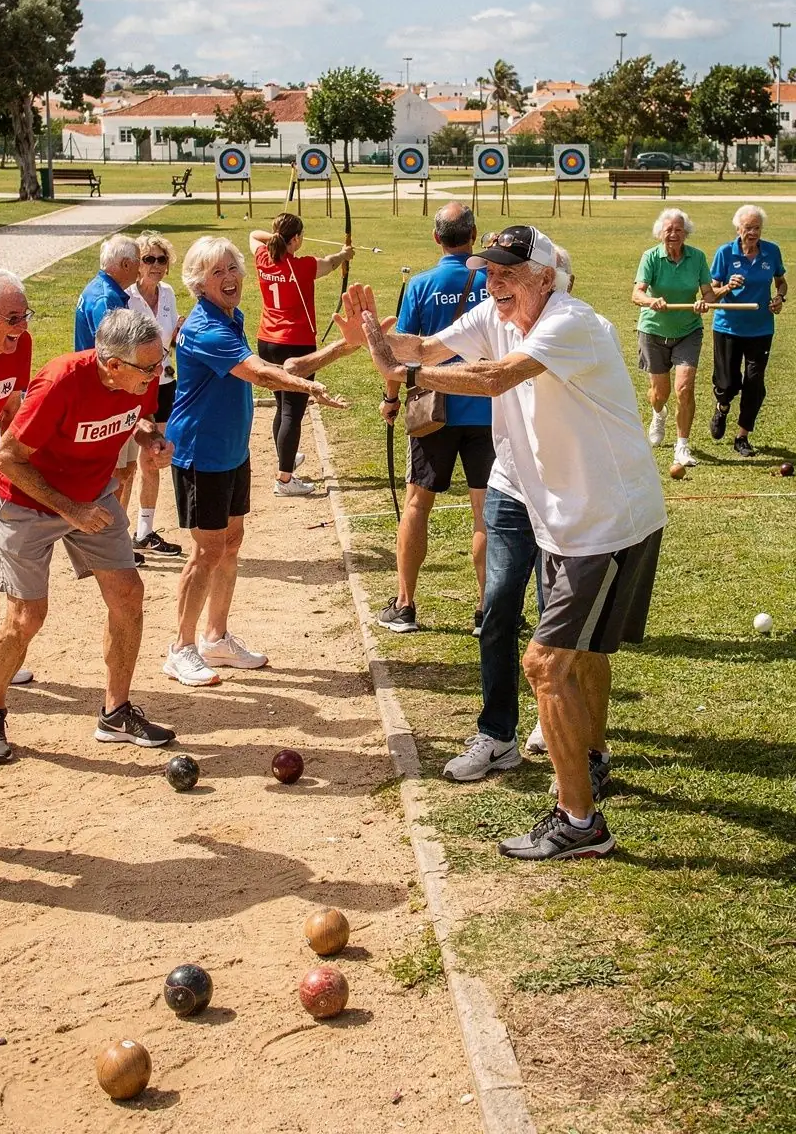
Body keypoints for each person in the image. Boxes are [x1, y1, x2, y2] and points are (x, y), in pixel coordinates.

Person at [353, 223, 666, 861]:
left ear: (545, 278)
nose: (493, 283)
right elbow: (428, 347)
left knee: (546, 664)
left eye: (509, 274)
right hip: (565, 518)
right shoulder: (496, 314)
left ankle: (579, 821)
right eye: (488, 272)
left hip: (605, 521)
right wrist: (379, 337)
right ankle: (587, 768)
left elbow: (496, 378)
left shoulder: (570, 323)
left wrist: (409, 377)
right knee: (576, 657)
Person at [0, 309, 176, 765]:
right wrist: (69, 509)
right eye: (148, 367)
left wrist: (150, 440)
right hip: (28, 501)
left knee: (128, 594)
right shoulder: (61, 382)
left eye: (158, 362)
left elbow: (136, 418)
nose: (156, 375)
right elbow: (5, 457)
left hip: (92, 495)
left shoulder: (137, 379)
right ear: (112, 364)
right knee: (28, 616)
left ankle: (115, 712)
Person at [163, 237, 347, 688]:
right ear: (198, 284)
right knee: (206, 549)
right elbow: (263, 373)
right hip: (201, 452)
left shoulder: (231, 316)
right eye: (217, 272)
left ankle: (216, 637)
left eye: (233, 268)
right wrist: (310, 386)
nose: (230, 278)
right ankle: (181, 648)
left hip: (230, 450)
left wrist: (341, 349)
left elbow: (271, 367)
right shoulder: (208, 327)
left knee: (230, 541)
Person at [377, 203, 493, 637]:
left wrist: (391, 398)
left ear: (436, 237)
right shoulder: (493, 281)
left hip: (434, 410)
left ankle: (405, 605)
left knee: (416, 505)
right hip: (487, 408)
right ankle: (487, 610)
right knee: (485, 514)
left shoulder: (423, 285)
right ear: (475, 234)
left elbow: (402, 352)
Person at [249, 213, 353, 496]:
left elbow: (253, 235)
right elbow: (330, 264)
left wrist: (275, 242)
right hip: (295, 346)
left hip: (267, 341)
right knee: (292, 411)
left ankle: (287, 456)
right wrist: (344, 254)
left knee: (281, 402)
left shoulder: (262, 257)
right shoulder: (304, 266)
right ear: (294, 239)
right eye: (300, 236)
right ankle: (284, 480)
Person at [0, 271, 34, 689]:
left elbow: (11, 409)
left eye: (25, 315)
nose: (23, 326)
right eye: (12, 317)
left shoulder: (20, 346)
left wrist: (16, 467)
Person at [632, 209, 715, 469]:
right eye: (668, 230)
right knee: (660, 394)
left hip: (688, 330)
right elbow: (637, 294)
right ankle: (658, 414)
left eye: (678, 230)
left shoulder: (697, 257)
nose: (673, 234)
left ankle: (682, 446)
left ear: (685, 233)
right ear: (661, 233)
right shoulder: (651, 257)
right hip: (653, 330)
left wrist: (705, 303)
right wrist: (651, 301)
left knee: (684, 388)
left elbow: (708, 294)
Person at [74, 235, 144, 525]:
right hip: (106, 396)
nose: (140, 268)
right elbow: (115, 352)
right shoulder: (106, 298)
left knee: (125, 469)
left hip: (112, 393)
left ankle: (119, 534)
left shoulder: (105, 291)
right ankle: (109, 537)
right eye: (139, 262)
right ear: (126, 263)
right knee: (113, 473)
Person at [709, 205, 787, 457]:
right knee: (728, 383)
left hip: (760, 328)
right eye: (748, 228)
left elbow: (781, 282)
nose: (752, 233)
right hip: (727, 326)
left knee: (754, 383)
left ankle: (742, 436)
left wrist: (779, 298)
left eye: (757, 228)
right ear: (738, 229)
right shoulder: (725, 253)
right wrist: (727, 287)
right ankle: (722, 408)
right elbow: (711, 293)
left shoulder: (771, 251)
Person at [127, 230, 184, 556]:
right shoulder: (126, 296)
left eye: (162, 259)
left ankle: (145, 531)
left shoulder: (168, 293)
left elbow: (169, 339)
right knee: (126, 466)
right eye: (149, 259)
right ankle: (118, 539)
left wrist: (180, 332)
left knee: (154, 457)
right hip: (135, 388)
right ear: (136, 264)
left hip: (164, 385)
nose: (157, 265)